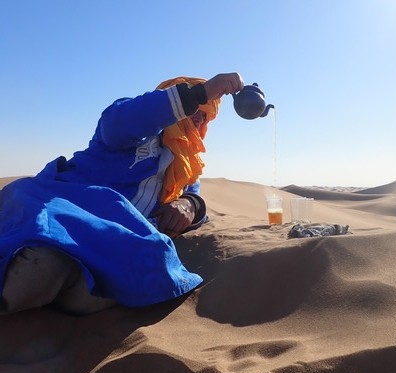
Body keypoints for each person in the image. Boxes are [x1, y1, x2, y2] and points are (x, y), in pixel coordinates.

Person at [0, 72, 244, 315]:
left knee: (148, 265)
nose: (197, 121)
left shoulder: (186, 164)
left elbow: (195, 197)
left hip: (116, 240)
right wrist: (199, 93)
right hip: (66, 211)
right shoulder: (134, 128)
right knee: (41, 265)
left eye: (204, 117)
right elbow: (118, 123)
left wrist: (189, 205)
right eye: (193, 111)